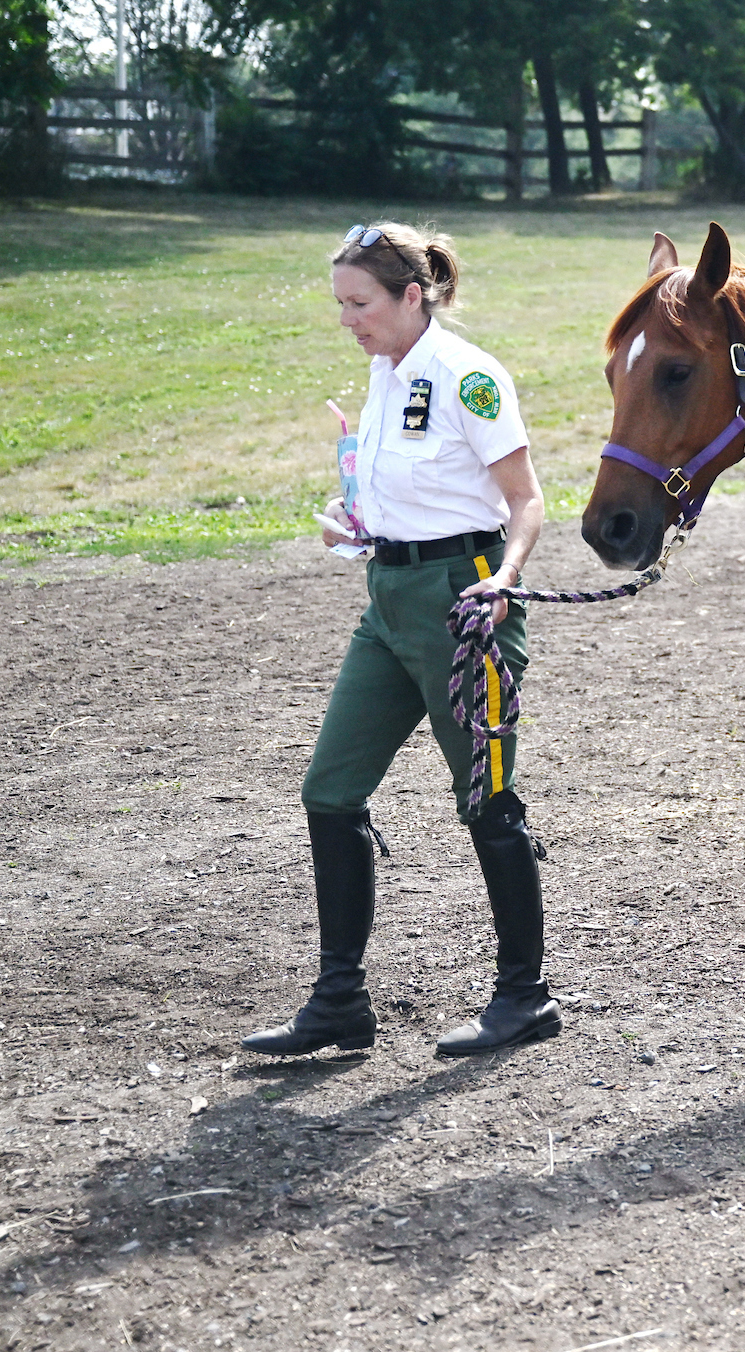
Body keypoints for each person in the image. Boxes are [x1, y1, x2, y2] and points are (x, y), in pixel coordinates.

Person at [242, 221, 560, 1059]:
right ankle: (340, 1002)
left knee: (488, 803)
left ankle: (524, 996)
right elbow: (403, 490)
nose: (348, 319)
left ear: (411, 295)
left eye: (360, 303)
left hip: (464, 607)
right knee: (329, 791)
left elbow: (525, 502)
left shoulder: (470, 376)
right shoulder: (385, 372)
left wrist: (505, 576)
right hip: (386, 605)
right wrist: (359, 526)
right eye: (341, 304)